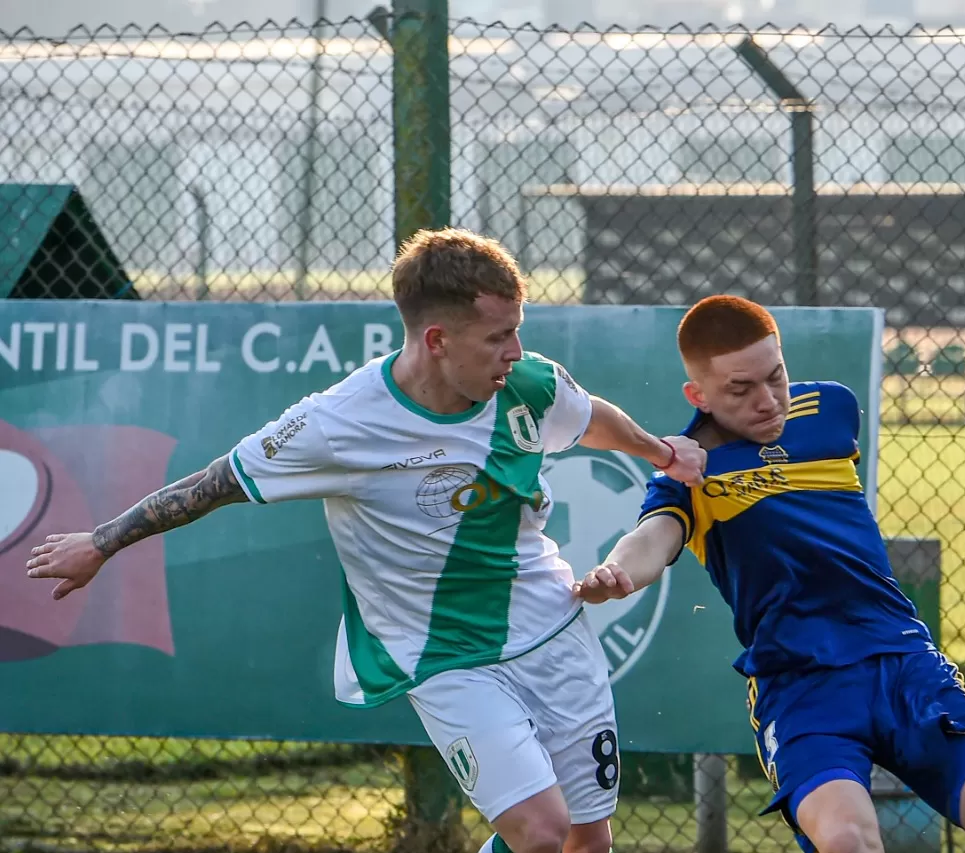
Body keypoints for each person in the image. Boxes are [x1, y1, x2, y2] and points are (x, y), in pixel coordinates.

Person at [25, 227, 707, 853]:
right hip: (442, 657)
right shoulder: (336, 423)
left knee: (588, 842)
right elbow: (216, 482)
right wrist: (103, 541)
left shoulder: (526, 384)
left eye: (518, 330)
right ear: (437, 339)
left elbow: (589, 418)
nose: (516, 351)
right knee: (542, 832)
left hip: (553, 627)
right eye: (497, 336)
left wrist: (657, 452)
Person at [571, 295, 965, 853]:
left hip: (902, 660)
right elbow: (653, 538)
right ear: (699, 396)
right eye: (741, 390)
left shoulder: (831, 411)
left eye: (776, 377)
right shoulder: (686, 468)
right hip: (800, 685)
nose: (768, 402)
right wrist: (617, 573)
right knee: (846, 838)